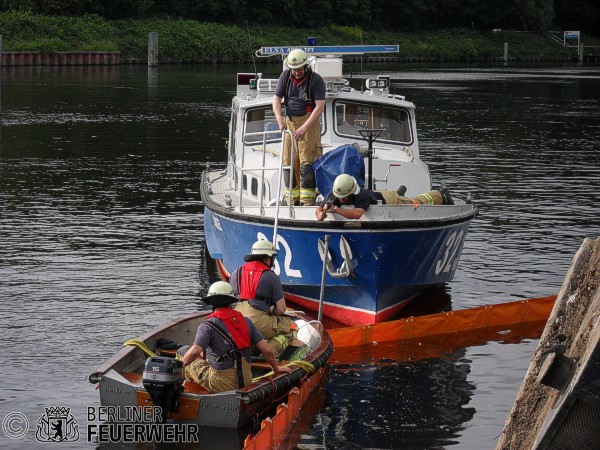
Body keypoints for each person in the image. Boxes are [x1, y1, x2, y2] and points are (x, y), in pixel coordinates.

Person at [179, 281, 291, 393]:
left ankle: (190, 393)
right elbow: (267, 350)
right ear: (230, 303)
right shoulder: (246, 321)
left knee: (183, 352)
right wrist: (276, 368)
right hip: (246, 381)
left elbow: (194, 352)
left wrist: (177, 367)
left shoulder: (207, 325)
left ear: (212, 304)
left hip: (222, 383)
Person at [273, 49, 326, 206]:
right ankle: (291, 200)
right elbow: (276, 99)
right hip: (290, 124)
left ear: (306, 66)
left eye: (300, 69)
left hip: (309, 125)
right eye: (294, 70)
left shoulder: (316, 80)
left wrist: (304, 127)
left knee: (307, 163)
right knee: (289, 162)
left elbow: (320, 106)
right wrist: (279, 121)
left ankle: (308, 202)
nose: (296, 73)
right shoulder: (285, 77)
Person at [231, 239, 298, 357]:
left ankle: (249, 352)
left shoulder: (236, 272)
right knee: (291, 328)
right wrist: (271, 311)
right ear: (267, 258)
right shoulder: (270, 276)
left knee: (248, 334)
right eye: (273, 259)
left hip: (237, 320)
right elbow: (281, 309)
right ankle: (268, 354)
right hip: (257, 321)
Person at [315, 174, 454, 221]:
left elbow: (357, 214)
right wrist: (321, 214)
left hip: (390, 199)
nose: (342, 200)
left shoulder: (361, 196)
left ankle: (440, 194)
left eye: (345, 197)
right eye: (341, 197)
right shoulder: (334, 194)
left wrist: (336, 210)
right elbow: (319, 208)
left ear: (351, 192)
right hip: (376, 195)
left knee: (415, 203)